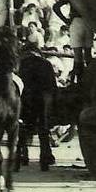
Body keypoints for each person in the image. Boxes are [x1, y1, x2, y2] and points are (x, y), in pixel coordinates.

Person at [18, 35, 57, 171]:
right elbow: (53, 86)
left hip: (27, 98)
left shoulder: (22, 64)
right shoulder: (46, 64)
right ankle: (45, 157)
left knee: (23, 125)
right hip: (44, 98)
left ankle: (23, 155)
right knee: (44, 127)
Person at [52, 0, 91, 85]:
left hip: (76, 21)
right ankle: (88, 82)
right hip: (88, 22)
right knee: (88, 56)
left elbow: (55, 7)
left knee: (78, 56)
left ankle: (79, 82)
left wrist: (65, 20)